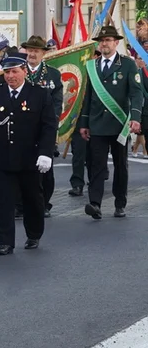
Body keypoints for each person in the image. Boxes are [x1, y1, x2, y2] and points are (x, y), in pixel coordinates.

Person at [0, 51, 57, 255]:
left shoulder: (39, 94)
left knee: (32, 198)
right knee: (3, 201)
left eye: (14, 72)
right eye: (7, 72)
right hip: (2, 158)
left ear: (24, 71)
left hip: (29, 158)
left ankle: (34, 234)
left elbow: (48, 126)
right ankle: (4, 242)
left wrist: (45, 152)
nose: (10, 76)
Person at [78, 24, 143, 220]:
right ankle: (95, 203)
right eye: (101, 41)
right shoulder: (92, 66)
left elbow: (136, 93)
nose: (104, 44)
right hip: (97, 124)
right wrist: (84, 123)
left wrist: (135, 117)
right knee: (96, 165)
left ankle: (120, 202)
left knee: (120, 165)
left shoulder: (128, 65)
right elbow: (87, 96)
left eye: (108, 41)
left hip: (119, 124)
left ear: (116, 43)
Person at [18, 36, 64, 217]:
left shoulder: (53, 74)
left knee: (45, 169)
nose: (32, 54)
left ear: (43, 53)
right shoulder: (19, 71)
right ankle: (20, 205)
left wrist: (51, 123)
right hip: (23, 128)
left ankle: (44, 203)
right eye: (29, 50)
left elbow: (57, 101)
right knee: (20, 167)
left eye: (36, 51)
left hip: (44, 128)